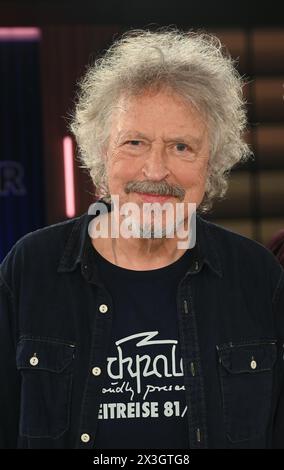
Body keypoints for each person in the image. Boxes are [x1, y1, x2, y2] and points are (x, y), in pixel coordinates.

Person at [0, 28, 283, 450]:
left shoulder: (258, 276)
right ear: (100, 151)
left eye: (181, 147)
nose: (154, 170)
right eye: (134, 142)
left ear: (213, 161)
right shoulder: (31, 268)